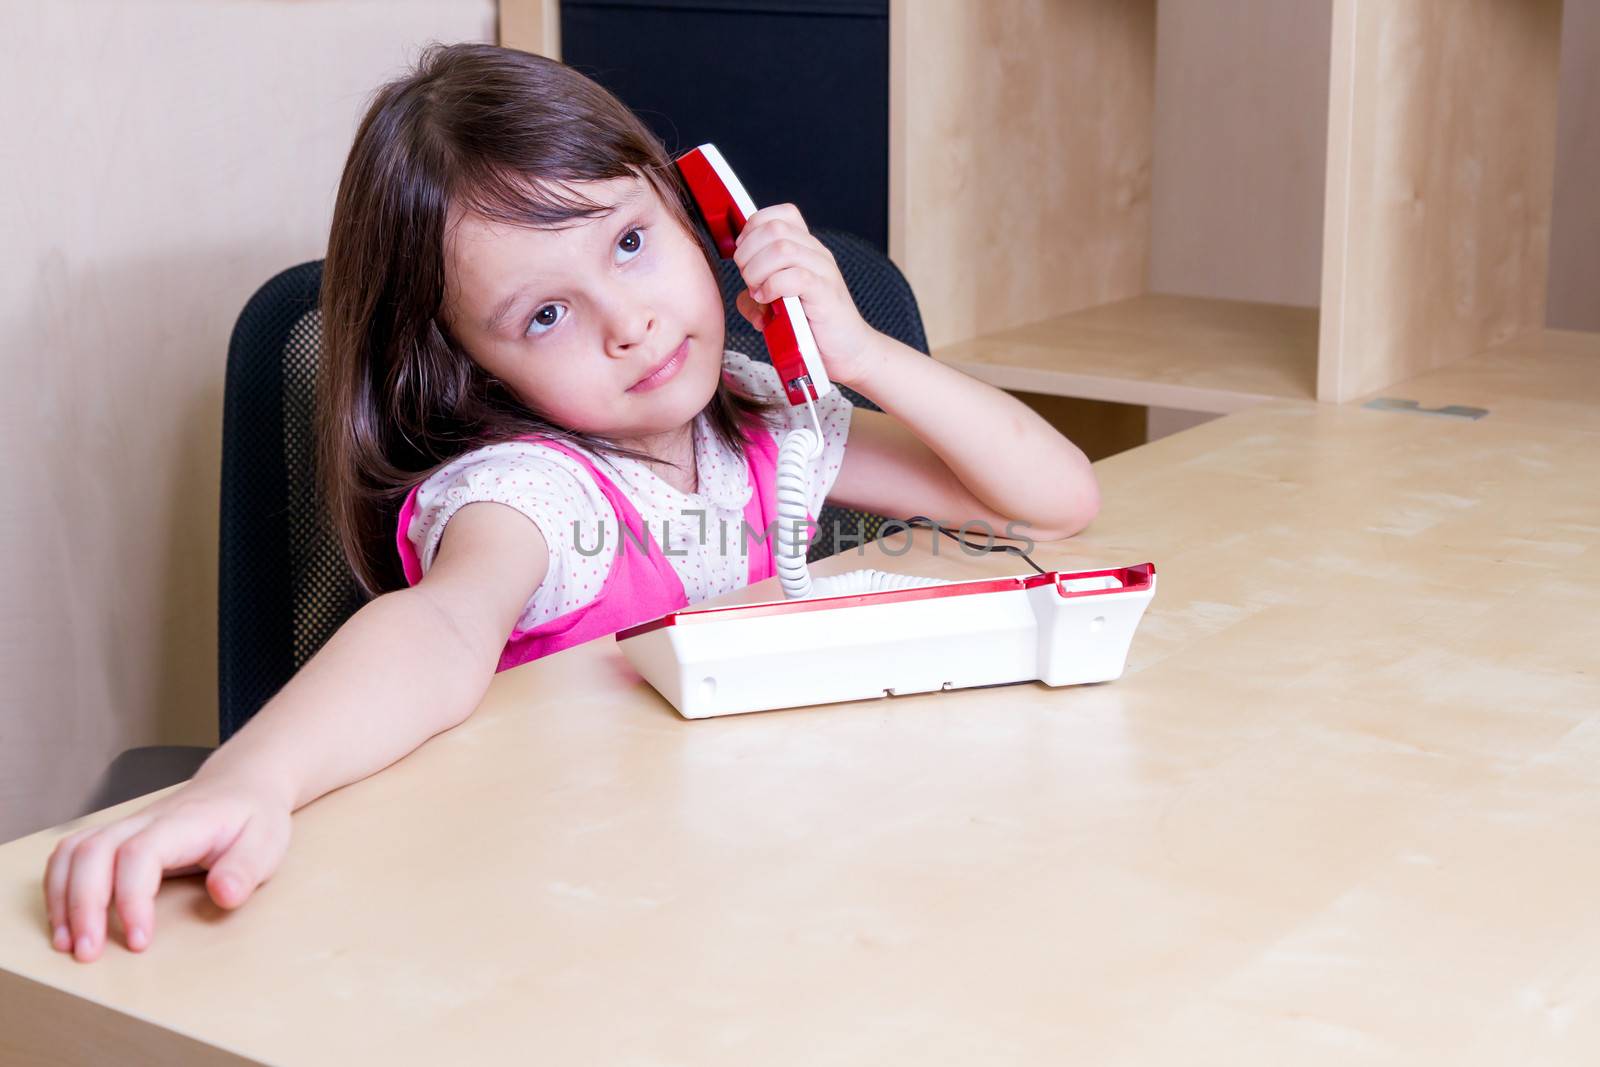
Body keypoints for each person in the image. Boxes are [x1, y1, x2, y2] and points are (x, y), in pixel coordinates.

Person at [42, 42, 1099, 963]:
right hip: (554, 909)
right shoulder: (529, 493)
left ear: (692, 215)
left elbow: (1053, 498)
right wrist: (250, 779)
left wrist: (864, 355)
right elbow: (440, 624)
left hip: (727, 878)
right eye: (546, 312)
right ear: (473, 367)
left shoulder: (757, 424)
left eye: (630, 244)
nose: (628, 323)